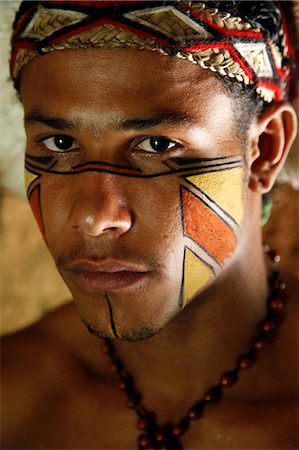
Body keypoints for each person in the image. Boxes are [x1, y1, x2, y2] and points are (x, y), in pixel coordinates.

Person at [1, 1, 298, 449]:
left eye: (157, 144)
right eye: (59, 142)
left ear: (265, 151)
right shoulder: (14, 392)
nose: (96, 217)